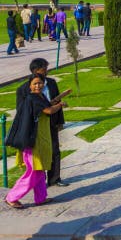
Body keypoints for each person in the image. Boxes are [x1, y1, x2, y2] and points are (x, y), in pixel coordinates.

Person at [5, 75, 63, 208]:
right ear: (30, 85)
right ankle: (12, 197)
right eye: (35, 84)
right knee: (34, 172)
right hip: (33, 141)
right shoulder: (33, 98)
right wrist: (60, 105)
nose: (38, 86)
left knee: (40, 170)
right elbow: (48, 110)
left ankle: (41, 197)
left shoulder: (40, 97)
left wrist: (55, 102)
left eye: (40, 83)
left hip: (41, 138)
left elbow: (47, 106)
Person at [16, 58, 68, 188]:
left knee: (54, 149)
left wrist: (59, 120)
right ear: (35, 70)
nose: (46, 71)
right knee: (37, 154)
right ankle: (38, 180)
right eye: (44, 69)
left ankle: (54, 179)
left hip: (51, 123)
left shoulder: (51, 83)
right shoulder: (23, 89)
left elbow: (55, 103)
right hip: (35, 126)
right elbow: (21, 110)